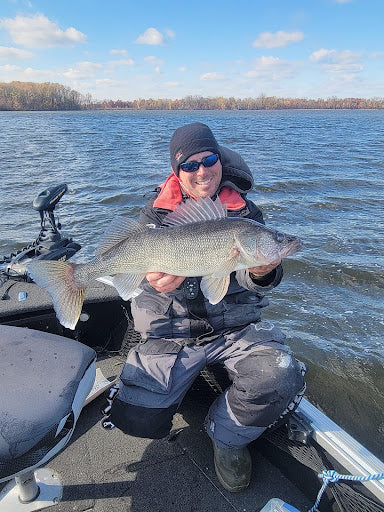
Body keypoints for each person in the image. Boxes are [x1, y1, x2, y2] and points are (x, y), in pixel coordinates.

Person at [107, 122, 306, 492]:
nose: (201, 171)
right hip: (174, 332)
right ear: (177, 171)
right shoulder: (154, 218)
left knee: (280, 374)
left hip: (234, 329)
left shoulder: (245, 216)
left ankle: (226, 437)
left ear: (220, 160)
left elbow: (249, 280)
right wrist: (155, 284)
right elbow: (141, 280)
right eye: (189, 165)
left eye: (209, 159)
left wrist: (263, 271)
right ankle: (182, 385)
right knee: (136, 418)